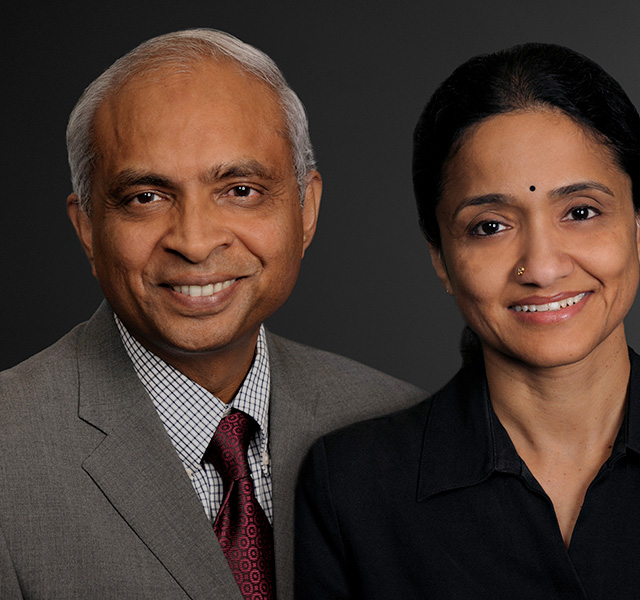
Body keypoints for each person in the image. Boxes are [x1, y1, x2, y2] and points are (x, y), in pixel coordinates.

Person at [294, 42, 640, 598]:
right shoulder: (351, 489)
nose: (542, 268)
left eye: (581, 212)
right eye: (489, 226)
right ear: (440, 258)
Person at [0, 29, 424, 600]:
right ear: (87, 229)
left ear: (306, 210)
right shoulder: (11, 453)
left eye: (241, 189)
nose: (195, 243)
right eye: (145, 197)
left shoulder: (401, 428)